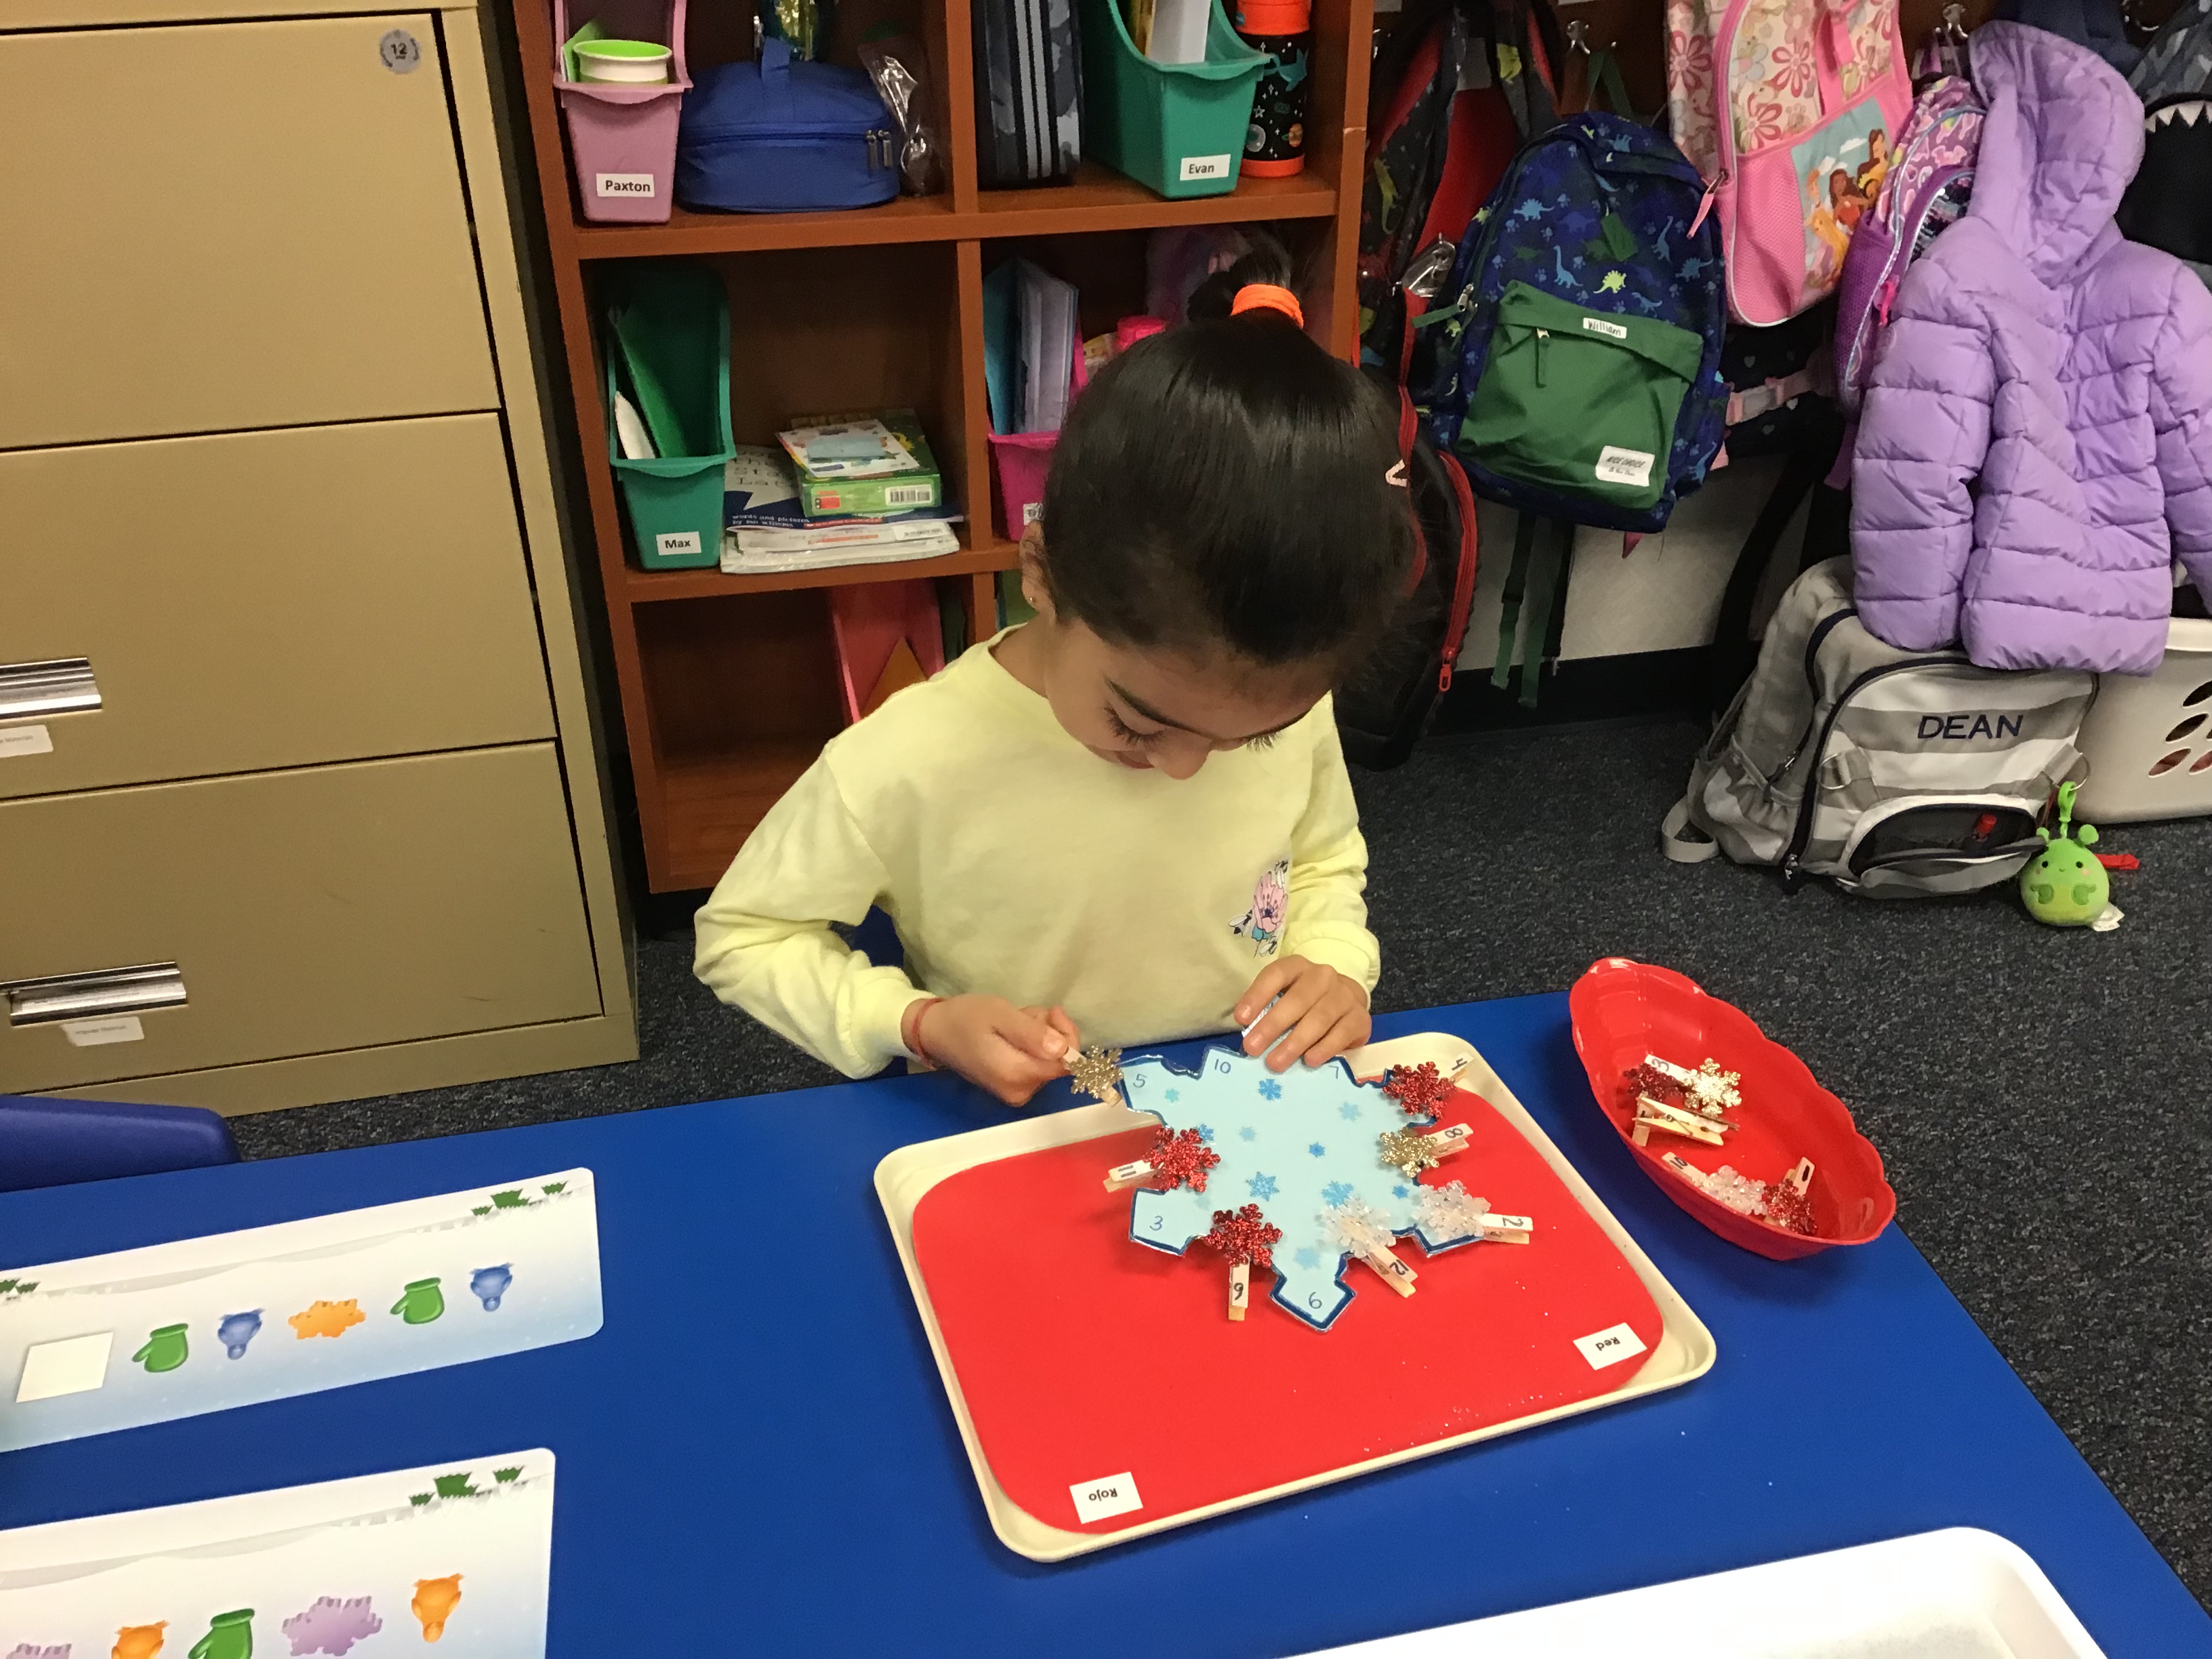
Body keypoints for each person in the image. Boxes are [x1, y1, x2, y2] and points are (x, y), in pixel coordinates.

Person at [693, 243, 1419, 1105]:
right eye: (1139, 725)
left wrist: (1335, 964)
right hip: (1019, 1115)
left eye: (1252, 738)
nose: (1187, 768)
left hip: (1239, 1094)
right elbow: (743, 938)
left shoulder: (1282, 699)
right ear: (1039, 571)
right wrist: (914, 1019)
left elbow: (1323, 857)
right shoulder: (907, 757)